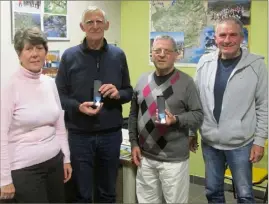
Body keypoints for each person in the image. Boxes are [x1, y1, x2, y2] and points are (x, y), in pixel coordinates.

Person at [55, 6, 133, 203]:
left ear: (107, 25)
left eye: (99, 21)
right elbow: (59, 95)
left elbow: (128, 91)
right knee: (82, 193)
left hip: (111, 135)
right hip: (80, 136)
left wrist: (118, 93)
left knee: (107, 192)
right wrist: (77, 106)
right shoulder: (69, 56)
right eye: (90, 22)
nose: (95, 25)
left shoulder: (118, 55)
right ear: (82, 26)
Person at [195, 17, 268, 203]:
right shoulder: (204, 62)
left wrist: (259, 141)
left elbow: (264, 105)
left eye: (233, 34)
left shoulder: (257, 65)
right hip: (210, 142)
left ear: (242, 37)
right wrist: (190, 132)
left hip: (241, 144)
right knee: (212, 191)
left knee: (244, 195)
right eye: (222, 35)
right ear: (216, 38)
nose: (227, 40)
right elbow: (196, 101)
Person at [128, 35, 203, 203]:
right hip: (145, 157)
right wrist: (134, 143)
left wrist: (175, 119)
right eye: (157, 50)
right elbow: (134, 115)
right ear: (151, 54)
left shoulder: (186, 83)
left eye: (167, 51)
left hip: (173, 160)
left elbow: (198, 115)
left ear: (176, 55)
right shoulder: (142, 80)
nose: (161, 54)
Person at [0, 27, 72, 203]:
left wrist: (66, 158)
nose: (34, 54)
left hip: (54, 162)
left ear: (45, 52)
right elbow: (1, 135)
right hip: (24, 169)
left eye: (39, 48)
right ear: (19, 54)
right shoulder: (10, 87)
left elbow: (59, 126)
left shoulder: (50, 83)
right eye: (28, 48)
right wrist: (4, 179)